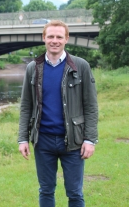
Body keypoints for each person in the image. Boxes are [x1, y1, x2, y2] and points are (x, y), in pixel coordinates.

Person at [18, 20, 98, 207]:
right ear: (44, 38)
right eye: (51, 36)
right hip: (43, 140)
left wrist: (90, 139)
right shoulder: (33, 68)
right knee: (46, 190)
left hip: (73, 141)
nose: (55, 41)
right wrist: (22, 138)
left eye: (59, 37)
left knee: (75, 193)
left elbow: (91, 106)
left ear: (66, 39)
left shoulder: (81, 66)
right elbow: (26, 106)